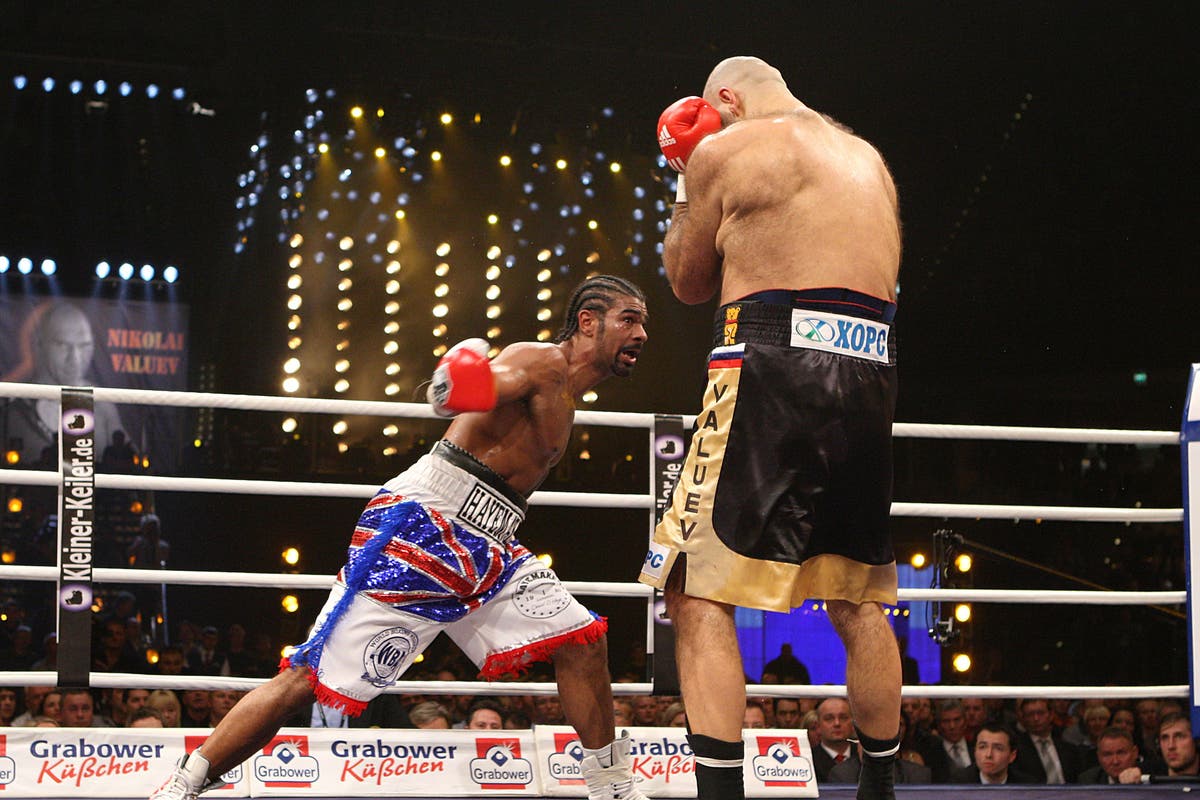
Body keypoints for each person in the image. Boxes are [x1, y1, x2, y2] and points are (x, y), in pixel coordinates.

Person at [149, 274, 649, 800]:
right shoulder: (541, 361)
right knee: (306, 678)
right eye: (630, 319)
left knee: (581, 640)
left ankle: (610, 784)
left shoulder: (567, 393)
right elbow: (464, 393)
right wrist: (458, 374)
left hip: (491, 541)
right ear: (588, 322)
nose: (641, 334)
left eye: (643, 323)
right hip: (425, 525)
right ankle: (185, 783)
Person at [639, 55, 902, 800]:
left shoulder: (726, 146)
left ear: (724, 100)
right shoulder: (867, 160)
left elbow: (688, 282)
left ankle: (720, 793)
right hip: (870, 369)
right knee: (858, 595)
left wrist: (687, 173)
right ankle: (879, 790)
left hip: (769, 365)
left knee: (695, 590)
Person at [3, 301, 126, 463]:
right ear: (40, 345)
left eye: (84, 346)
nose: (75, 359)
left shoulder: (103, 406)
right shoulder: (14, 410)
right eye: (62, 345)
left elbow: (130, 462)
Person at [949, 724, 1035, 785]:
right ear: (975, 751)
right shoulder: (958, 785)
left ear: (1012, 756)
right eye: (982, 747)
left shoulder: (1027, 786)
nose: (989, 755)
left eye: (998, 748)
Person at [1077, 727, 1144, 784]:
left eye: (1121, 753)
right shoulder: (1088, 781)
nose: (1115, 761)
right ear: (1098, 756)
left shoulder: (1150, 775)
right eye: (1107, 755)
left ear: (1135, 753)